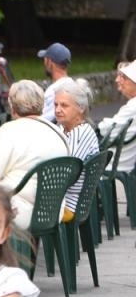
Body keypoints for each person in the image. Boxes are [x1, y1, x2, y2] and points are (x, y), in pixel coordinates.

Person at [0, 81, 67, 231]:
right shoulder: (58, 133)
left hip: (19, 210)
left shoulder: (8, 132)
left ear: (12, 106)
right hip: (54, 211)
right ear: (41, 105)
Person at [52, 81, 98, 218]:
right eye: (56, 104)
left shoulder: (81, 133)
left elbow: (66, 171)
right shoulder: (63, 128)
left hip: (69, 203)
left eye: (64, 105)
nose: (57, 109)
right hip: (60, 198)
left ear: (81, 108)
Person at [97, 62, 136, 173]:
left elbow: (106, 131)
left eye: (124, 77)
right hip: (126, 164)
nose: (117, 80)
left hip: (114, 167)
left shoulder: (132, 107)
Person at [35, 43, 74, 125]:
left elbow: (42, 121)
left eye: (45, 60)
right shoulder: (72, 84)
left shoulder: (54, 91)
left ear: (49, 62)